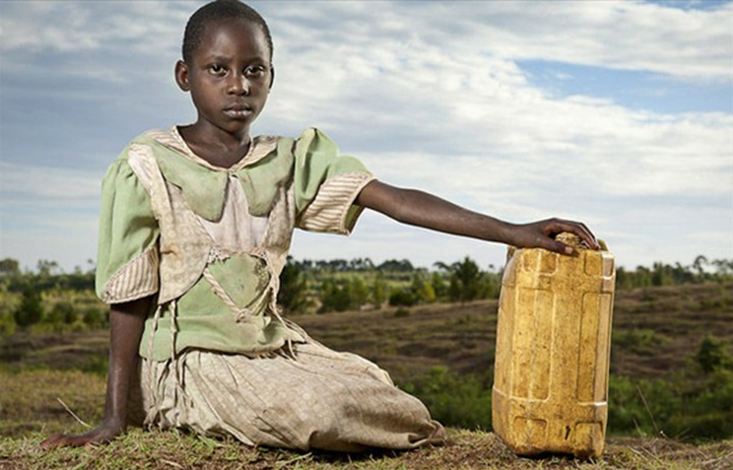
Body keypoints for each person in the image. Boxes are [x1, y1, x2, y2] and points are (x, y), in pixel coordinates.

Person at [41, 0, 600, 452]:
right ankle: (174, 409)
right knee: (323, 412)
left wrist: (514, 230)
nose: (237, 85)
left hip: (269, 347)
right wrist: (114, 416)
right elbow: (128, 299)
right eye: (219, 69)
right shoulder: (147, 165)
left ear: (270, 78)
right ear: (186, 76)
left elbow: (397, 201)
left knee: (389, 398)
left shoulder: (290, 159)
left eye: (252, 70)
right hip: (190, 362)